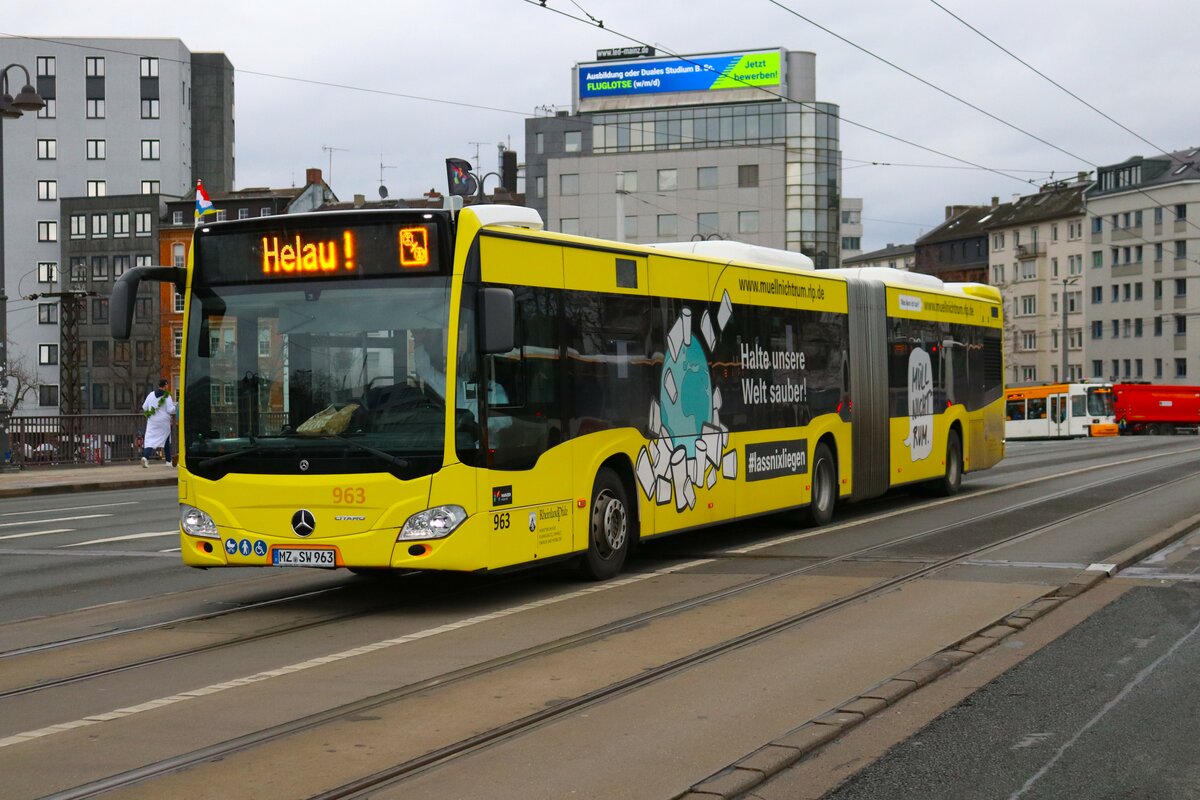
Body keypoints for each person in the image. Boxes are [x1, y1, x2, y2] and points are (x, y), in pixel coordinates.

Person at [142, 379, 177, 467]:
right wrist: (176, 406)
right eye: (167, 385)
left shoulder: (151, 395)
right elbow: (170, 410)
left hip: (152, 422)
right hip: (163, 422)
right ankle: (168, 461)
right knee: (166, 439)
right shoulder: (167, 396)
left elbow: (144, 407)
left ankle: (145, 458)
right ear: (165, 386)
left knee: (150, 441)